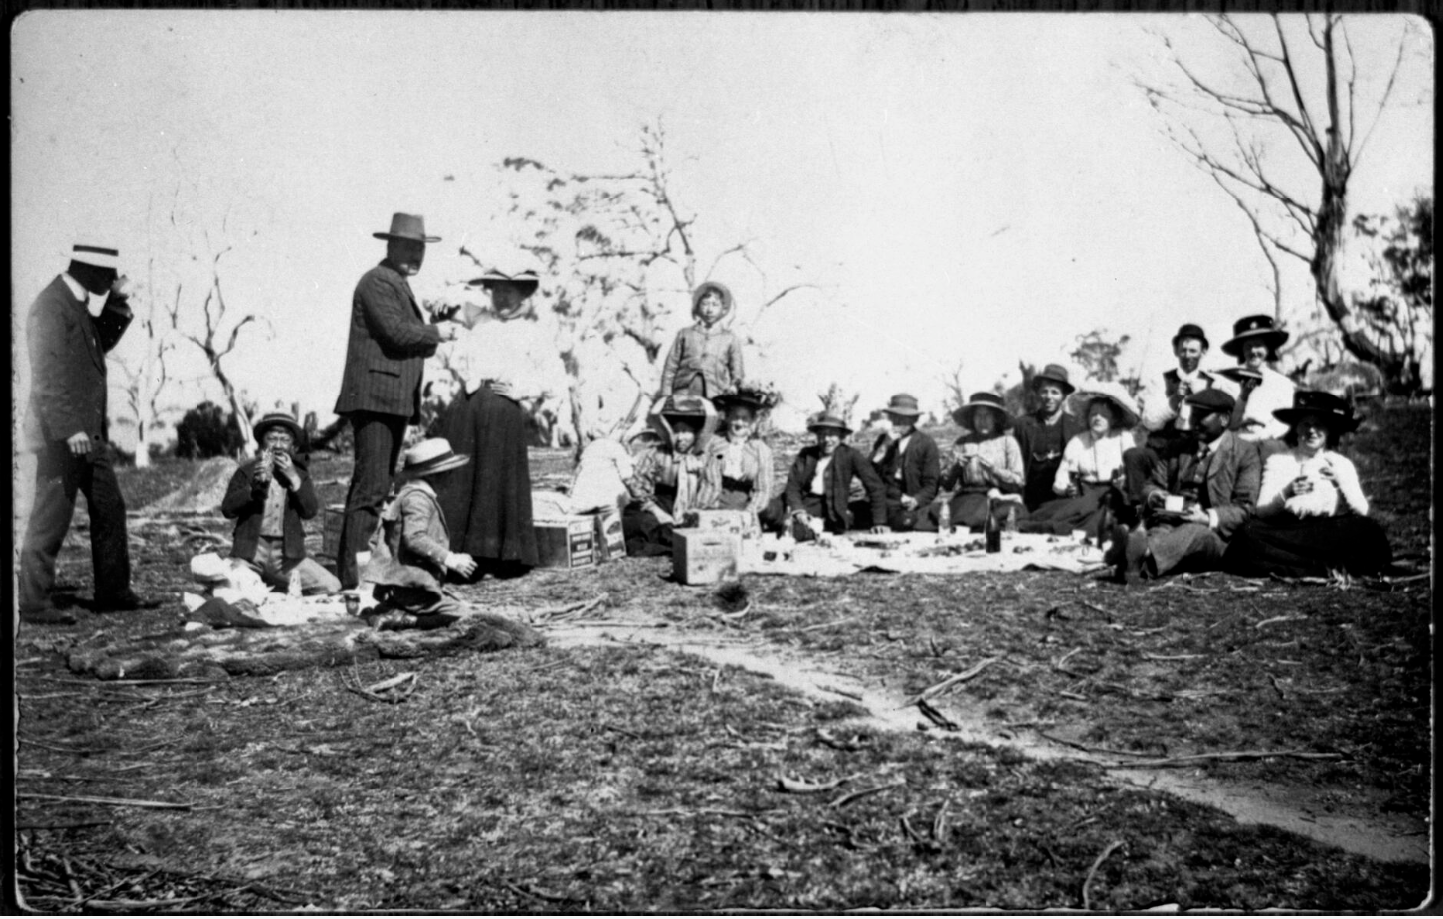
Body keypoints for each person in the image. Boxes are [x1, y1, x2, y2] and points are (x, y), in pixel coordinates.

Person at [19, 242, 160, 624]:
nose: (113, 280)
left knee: (110, 508)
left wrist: (114, 304)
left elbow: (98, 346)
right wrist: (68, 429)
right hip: (63, 437)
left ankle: (113, 593)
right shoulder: (51, 306)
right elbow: (46, 379)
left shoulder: (74, 305)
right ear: (86, 270)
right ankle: (32, 603)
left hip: (89, 437)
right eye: (108, 276)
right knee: (51, 517)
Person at [333, 213, 461, 589]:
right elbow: (396, 333)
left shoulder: (394, 284)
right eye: (408, 247)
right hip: (375, 398)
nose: (415, 255)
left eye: (419, 248)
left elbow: (405, 335)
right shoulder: (378, 281)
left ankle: (362, 573)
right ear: (390, 246)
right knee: (370, 489)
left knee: (376, 487)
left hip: (389, 399)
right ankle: (355, 578)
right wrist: (435, 330)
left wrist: (430, 327)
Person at [430, 260, 554, 580]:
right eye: (497, 290)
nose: (502, 298)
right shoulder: (477, 317)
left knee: (496, 480)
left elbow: (554, 377)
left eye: (510, 292)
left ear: (523, 296)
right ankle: (460, 555)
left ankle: (501, 556)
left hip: (502, 409)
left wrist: (521, 391)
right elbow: (433, 302)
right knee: (462, 478)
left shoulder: (532, 332)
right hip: (468, 407)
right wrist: (445, 298)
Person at [1223, 391, 1391, 579]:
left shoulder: (1340, 463)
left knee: (1368, 530)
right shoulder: (1278, 460)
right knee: (1248, 535)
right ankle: (1325, 567)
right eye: (1306, 424)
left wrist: (1340, 483)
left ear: (1328, 430)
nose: (1312, 431)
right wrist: (1287, 493)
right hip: (1287, 532)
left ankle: (1301, 567)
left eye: (1318, 425)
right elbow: (1262, 511)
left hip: (1325, 534)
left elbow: (1362, 510)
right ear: (1296, 429)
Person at [1114, 389, 1260, 582]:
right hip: (1169, 523)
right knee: (1160, 533)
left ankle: (1136, 553)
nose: (1194, 420)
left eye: (1202, 415)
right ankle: (1136, 565)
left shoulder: (1244, 453)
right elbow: (1151, 484)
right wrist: (1155, 495)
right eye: (1193, 413)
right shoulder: (1178, 447)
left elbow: (1245, 508)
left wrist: (1207, 517)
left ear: (1224, 418)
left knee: (1193, 533)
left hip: (1212, 536)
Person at [360, 439, 476, 630]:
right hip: (411, 584)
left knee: (453, 603)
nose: (452, 477)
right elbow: (414, 538)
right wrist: (450, 559)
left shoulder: (410, 494)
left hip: (406, 582)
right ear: (436, 475)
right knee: (463, 615)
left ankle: (390, 609)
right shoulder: (418, 500)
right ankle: (404, 621)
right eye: (449, 472)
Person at [220, 412, 341, 595]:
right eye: (272, 439)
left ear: (293, 445)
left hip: (286, 558)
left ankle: (273, 584)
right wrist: (253, 489)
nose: (277, 445)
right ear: (262, 443)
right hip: (251, 554)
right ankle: (259, 584)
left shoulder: (300, 473)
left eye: (284, 440)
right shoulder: (247, 471)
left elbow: (310, 511)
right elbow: (228, 509)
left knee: (332, 586)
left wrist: (293, 478)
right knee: (230, 592)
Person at [1121, 324, 1223, 516]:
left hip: (1193, 452)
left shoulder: (1213, 383)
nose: (1187, 356)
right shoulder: (1161, 380)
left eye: (1193, 350)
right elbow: (1150, 421)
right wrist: (1175, 400)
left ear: (1204, 351)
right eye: (1183, 350)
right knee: (1134, 456)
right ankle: (1137, 513)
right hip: (1162, 452)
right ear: (1176, 351)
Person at [1019, 383, 1138, 541]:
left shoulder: (1123, 437)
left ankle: (1057, 529)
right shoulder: (1078, 441)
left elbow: (1133, 468)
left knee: (1101, 519)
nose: (1097, 418)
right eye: (1093, 414)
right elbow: (1062, 477)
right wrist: (1066, 488)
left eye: (1104, 414)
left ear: (1113, 418)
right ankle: (1043, 526)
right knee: (1057, 511)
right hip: (1083, 494)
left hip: (1114, 495)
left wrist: (1123, 481)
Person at [623, 396, 721, 556]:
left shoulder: (707, 459)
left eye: (686, 431)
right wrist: (659, 513)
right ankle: (674, 541)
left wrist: (691, 517)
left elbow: (710, 493)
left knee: (697, 529)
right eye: (676, 431)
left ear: (696, 432)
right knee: (637, 521)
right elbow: (639, 487)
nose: (680, 437)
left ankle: (674, 540)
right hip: (659, 510)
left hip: (692, 513)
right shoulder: (656, 454)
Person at [779, 413, 889, 536]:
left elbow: (875, 486)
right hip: (805, 502)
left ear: (841, 437)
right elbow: (793, 485)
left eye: (832, 435)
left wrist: (879, 522)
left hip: (831, 506)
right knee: (770, 511)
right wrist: (798, 510)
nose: (827, 440)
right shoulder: (807, 454)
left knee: (804, 530)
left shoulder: (850, 455)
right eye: (822, 435)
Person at [936, 392, 1024, 530]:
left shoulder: (1008, 442)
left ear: (996, 418)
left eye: (987, 415)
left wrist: (994, 470)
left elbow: (1019, 481)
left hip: (999, 496)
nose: (983, 420)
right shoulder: (962, 443)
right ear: (972, 418)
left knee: (1012, 515)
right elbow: (947, 485)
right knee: (934, 515)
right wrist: (956, 468)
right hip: (968, 497)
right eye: (978, 415)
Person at [702, 388, 782, 529]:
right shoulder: (712, 443)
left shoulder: (760, 450)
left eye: (745, 418)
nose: (739, 423)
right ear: (727, 418)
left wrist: (749, 513)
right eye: (735, 417)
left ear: (752, 421)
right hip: (711, 503)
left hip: (744, 506)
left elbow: (763, 490)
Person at [1011, 364, 1086, 511]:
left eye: (1055, 392)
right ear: (1038, 393)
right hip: (1030, 497)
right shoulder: (1023, 424)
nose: (1049, 397)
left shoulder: (1076, 426)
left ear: (1063, 396)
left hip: (1062, 497)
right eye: (1044, 391)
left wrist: (1075, 486)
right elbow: (1015, 464)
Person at [863, 394, 940, 531]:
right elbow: (868, 473)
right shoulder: (883, 440)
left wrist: (916, 500)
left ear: (914, 419)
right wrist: (885, 446)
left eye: (905, 419)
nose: (899, 422)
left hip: (908, 503)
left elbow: (931, 485)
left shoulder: (926, 443)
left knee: (906, 520)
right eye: (895, 417)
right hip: (882, 501)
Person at [1216, 314, 1295, 443]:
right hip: (1235, 441)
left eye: (1258, 345)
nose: (1253, 351)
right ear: (1241, 350)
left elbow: (1282, 423)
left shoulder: (1282, 383)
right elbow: (1224, 420)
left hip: (1267, 441)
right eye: (1248, 346)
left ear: (1268, 348)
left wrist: (1260, 437)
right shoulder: (1228, 381)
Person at [659, 281, 745, 397]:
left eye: (715, 305)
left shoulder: (729, 338)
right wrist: (666, 395)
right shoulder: (685, 334)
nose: (709, 310)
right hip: (683, 394)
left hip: (716, 396)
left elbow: (737, 371)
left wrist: (734, 386)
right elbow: (670, 367)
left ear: (723, 309)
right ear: (697, 307)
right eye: (705, 304)